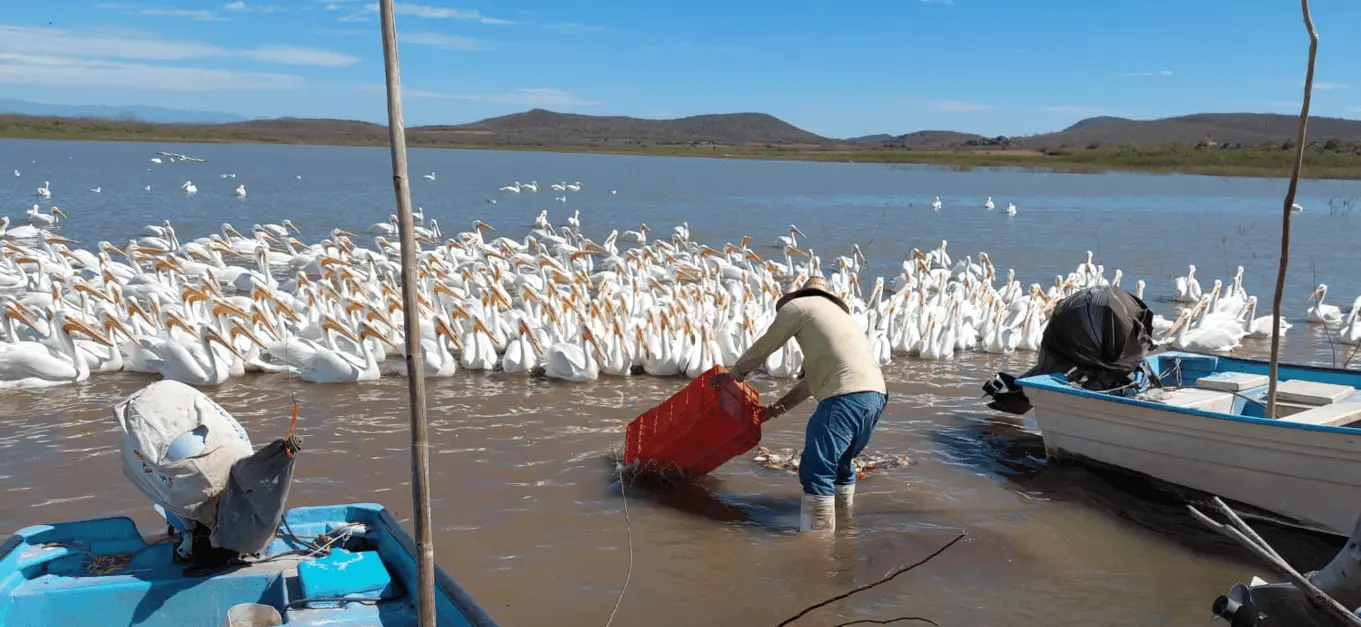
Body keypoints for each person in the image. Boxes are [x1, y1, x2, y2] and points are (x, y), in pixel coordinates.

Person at [711, 275, 887, 533]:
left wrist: (735, 375)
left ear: (800, 297)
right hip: (875, 396)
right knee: (841, 465)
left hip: (844, 397)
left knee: (817, 470)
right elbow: (809, 384)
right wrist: (773, 411)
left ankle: (817, 549)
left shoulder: (798, 308)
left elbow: (767, 344)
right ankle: (845, 531)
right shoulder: (844, 323)